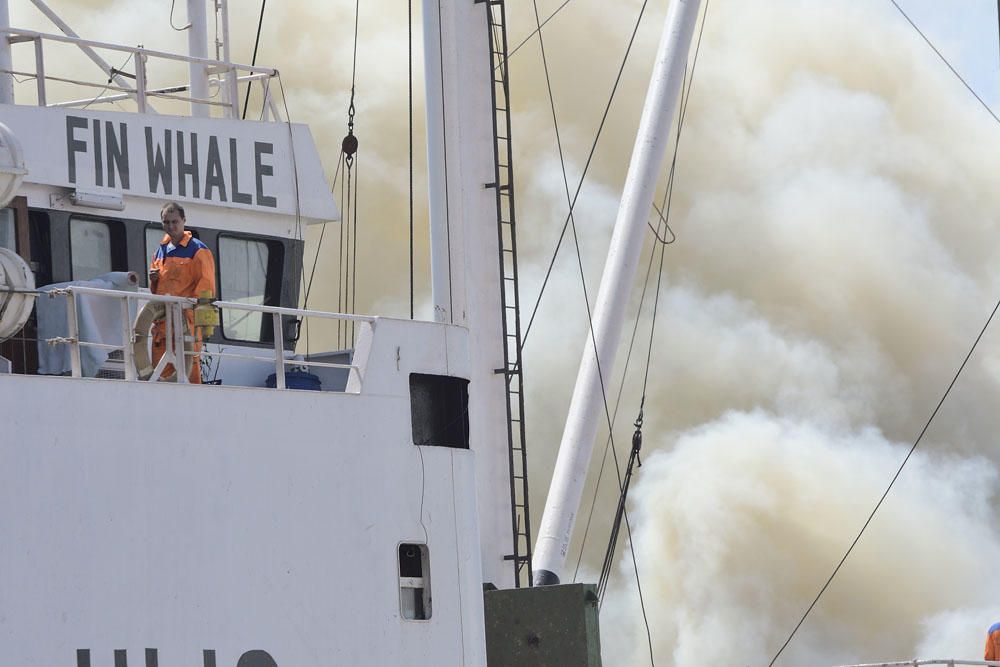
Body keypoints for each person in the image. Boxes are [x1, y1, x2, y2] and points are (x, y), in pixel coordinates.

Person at [148, 201, 216, 383]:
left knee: (189, 372)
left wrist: (194, 319)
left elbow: (207, 287)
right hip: (162, 325)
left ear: (184, 221)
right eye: (166, 222)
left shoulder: (198, 250)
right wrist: (153, 280)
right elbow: (157, 290)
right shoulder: (160, 251)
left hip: (186, 323)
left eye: (174, 221)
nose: (170, 226)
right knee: (160, 374)